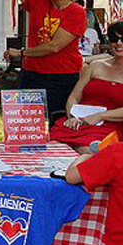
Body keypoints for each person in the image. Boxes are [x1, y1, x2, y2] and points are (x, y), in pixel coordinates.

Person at [2, 0, 87, 118]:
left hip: (62, 76)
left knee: (58, 123)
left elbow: (54, 46)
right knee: (27, 122)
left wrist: (21, 52)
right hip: (33, 73)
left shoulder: (76, 12)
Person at [50, 21, 123, 153]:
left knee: (87, 150)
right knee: (52, 147)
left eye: (122, 39)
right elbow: (74, 97)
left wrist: (101, 116)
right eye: (114, 39)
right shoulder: (96, 65)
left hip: (110, 127)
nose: (118, 43)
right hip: (79, 123)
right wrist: (72, 116)